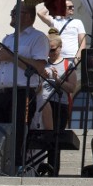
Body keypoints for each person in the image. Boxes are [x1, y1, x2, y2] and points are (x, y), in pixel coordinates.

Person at [0, 3, 49, 167]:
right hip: (0, 92)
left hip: (22, 93)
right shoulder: (8, 38)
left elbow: (39, 67)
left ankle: (13, 167)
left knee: (16, 135)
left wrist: (11, 56)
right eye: (12, 12)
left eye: (15, 12)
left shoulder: (38, 38)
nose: (12, 15)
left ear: (28, 15)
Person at [39, 33, 78, 175]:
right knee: (39, 137)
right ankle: (38, 167)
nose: (50, 53)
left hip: (58, 105)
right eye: (47, 50)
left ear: (60, 48)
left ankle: (53, 170)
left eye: (53, 49)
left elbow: (72, 88)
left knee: (55, 140)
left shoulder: (68, 65)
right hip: (41, 104)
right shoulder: (42, 62)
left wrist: (57, 80)